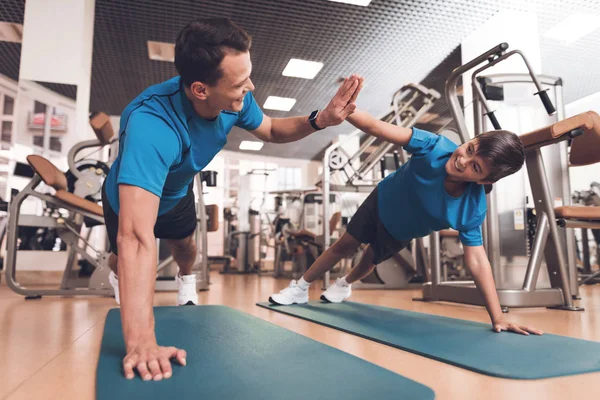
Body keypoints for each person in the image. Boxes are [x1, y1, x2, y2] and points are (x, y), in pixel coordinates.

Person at [101, 17, 362, 381]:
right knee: (127, 247)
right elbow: (137, 237)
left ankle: (185, 281)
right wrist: (142, 340)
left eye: (248, 76)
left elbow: (271, 129)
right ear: (201, 89)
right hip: (127, 193)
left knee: (185, 246)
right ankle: (117, 272)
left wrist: (321, 119)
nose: (250, 87)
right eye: (240, 83)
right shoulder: (152, 123)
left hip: (175, 193)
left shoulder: (235, 101)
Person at [269, 76, 543, 337]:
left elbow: (477, 261)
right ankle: (301, 288)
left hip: (402, 230)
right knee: (345, 245)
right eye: (469, 149)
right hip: (383, 199)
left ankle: (344, 284)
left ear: (485, 180)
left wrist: (498, 317)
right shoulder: (434, 147)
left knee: (369, 260)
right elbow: (379, 128)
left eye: (475, 167)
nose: (463, 160)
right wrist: (345, 112)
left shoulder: (471, 208)